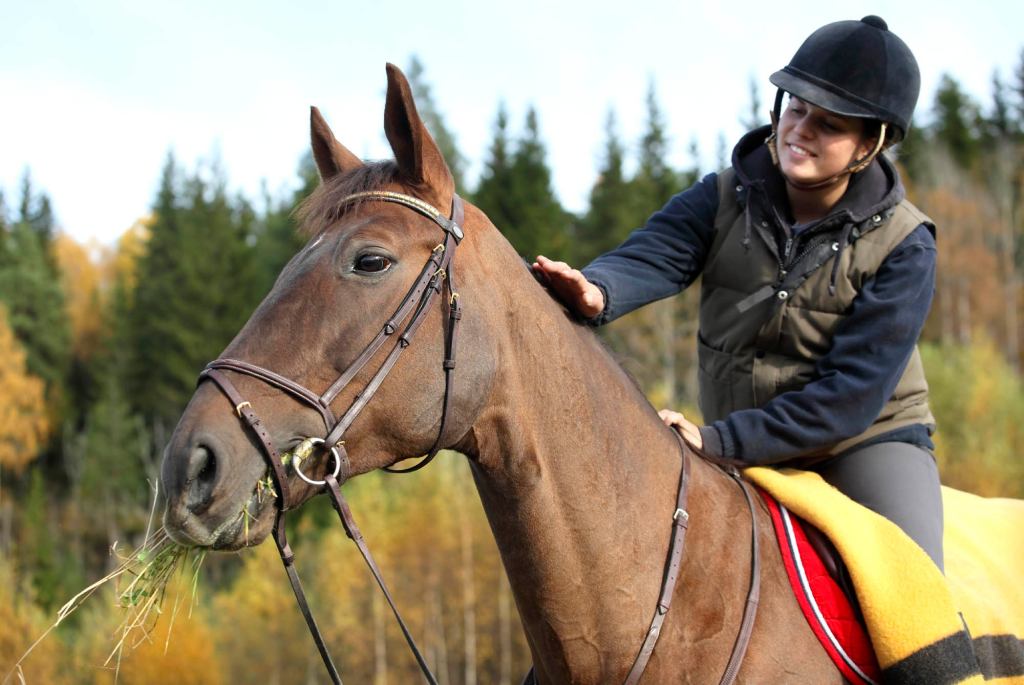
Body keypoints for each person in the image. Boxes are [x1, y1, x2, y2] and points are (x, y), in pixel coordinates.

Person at [533, 16, 944, 571]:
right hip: (731, 436)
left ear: (870, 145)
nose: (801, 130)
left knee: (914, 585)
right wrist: (598, 291)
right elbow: (659, 252)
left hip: (862, 445)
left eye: (828, 124)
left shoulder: (907, 246)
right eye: (797, 108)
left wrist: (716, 439)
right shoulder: (725, 193)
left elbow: (849, 398)